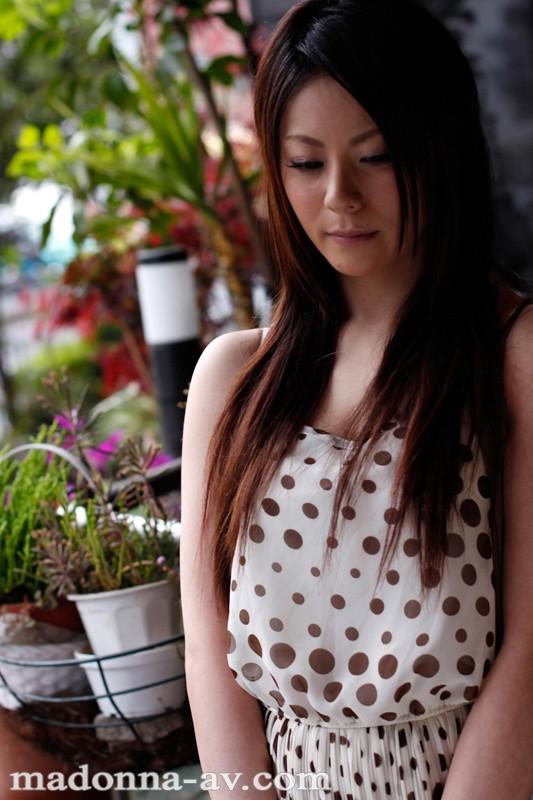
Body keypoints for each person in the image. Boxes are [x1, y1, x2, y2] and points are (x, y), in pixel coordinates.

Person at [179, 1, 533, 798]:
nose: (340, 196)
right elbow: (207, 649)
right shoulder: (234, 379)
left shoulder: (510, 354)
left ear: (439, 150)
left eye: (375, 157)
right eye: (306, 164)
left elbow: (530, 652)